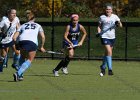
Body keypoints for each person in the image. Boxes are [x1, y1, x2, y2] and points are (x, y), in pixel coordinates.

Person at [12, 10, 46, 81]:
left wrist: (17, 44)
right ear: (34, 18)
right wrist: (42, 47)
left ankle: (20, 76)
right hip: (31, 43)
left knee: (22, 57)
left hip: (22, 41)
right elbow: (42, 37)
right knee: (29, 60)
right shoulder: (38, 25)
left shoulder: (22, 25)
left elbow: (14, 37)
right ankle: (18, 73)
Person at [97, 4, 122, 76]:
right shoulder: (102, 17)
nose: (108, 10)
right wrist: (99, 33)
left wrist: (118, 23)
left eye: (109, 9)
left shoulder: (115, 17)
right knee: (109, 51)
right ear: (105, 10)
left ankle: (103, 66)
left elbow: (121, 26)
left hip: (112, 37)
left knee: (107, 53)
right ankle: (110, 69)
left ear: (112, 10)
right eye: (107, 9)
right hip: (104, 36)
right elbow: (99, 26)